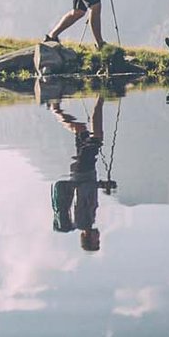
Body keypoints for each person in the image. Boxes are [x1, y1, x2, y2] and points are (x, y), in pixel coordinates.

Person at [49, 95, 115, 252]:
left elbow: (84, 191)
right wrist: (100, 185)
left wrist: (101, 184)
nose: (98, 238)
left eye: (96, 241)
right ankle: (55, 109)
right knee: (81, 130)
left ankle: (101, 97)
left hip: (84, 170)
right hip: (82, 170)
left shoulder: (83, 221)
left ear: (88, 239)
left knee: (96, 137)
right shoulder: (86, 221)